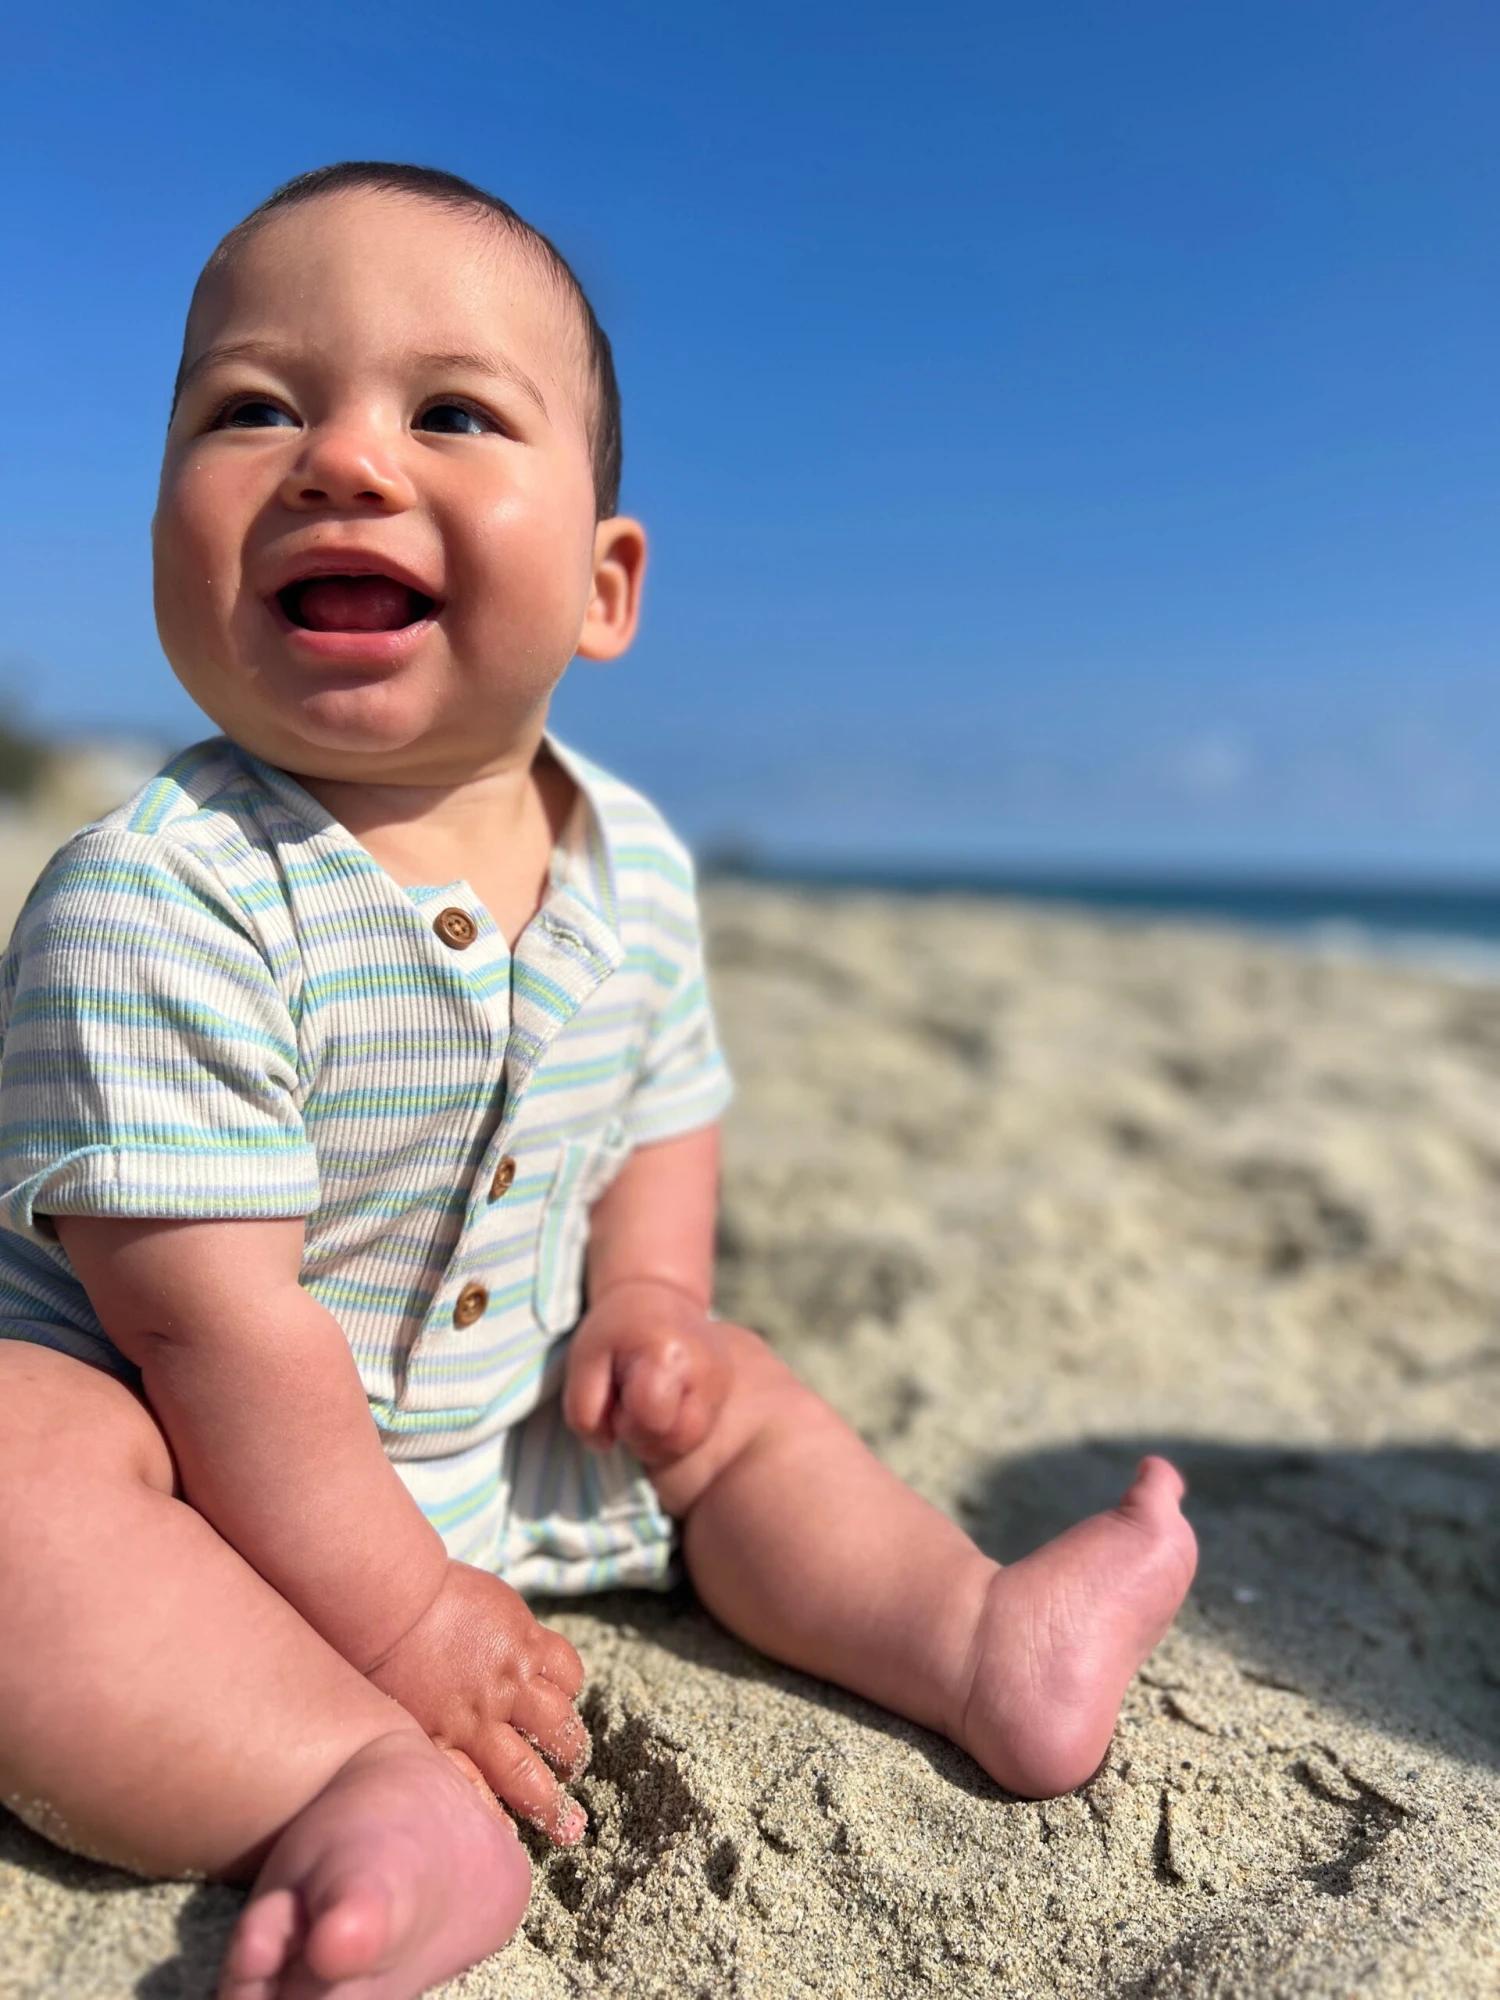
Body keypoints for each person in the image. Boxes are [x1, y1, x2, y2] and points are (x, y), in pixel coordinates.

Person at [0, 163, 1198, 2000]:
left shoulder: (627, 857)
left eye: (451, 413)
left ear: (604, 586)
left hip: (502, 1431)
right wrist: (406, 1618)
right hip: (195, 1467)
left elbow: (663, 1106)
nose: (342, 461)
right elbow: (207, 1332)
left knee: (739, 1405)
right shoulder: (160, 898)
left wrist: (648, 1300)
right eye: (251, 409)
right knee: (24, 1470)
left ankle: (979, 1643)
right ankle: (345, 1787)